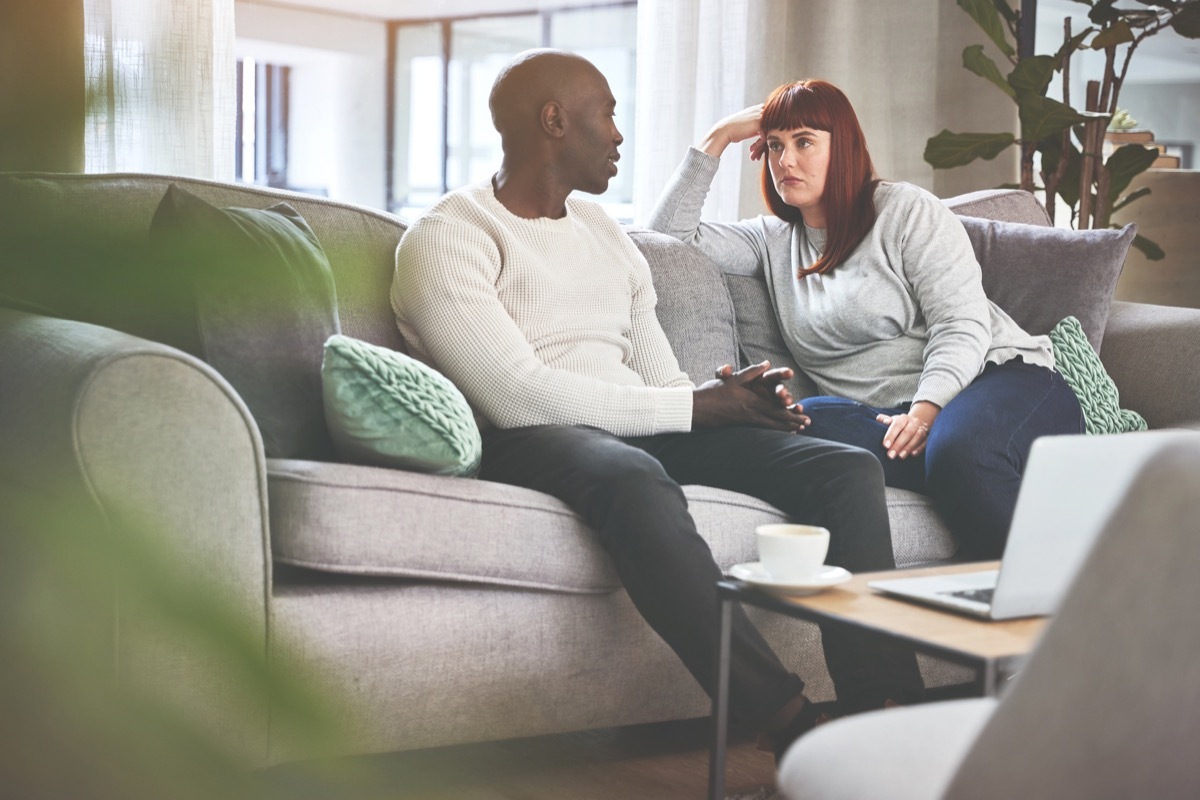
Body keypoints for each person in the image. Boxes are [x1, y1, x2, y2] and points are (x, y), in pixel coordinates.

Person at [391, 50, 923, 756]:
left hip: (632, 423)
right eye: (607, 113)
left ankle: (880, 714)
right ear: (554, 120)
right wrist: (698, 409)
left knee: (842, 469)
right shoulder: (448, 236)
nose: (618, 134)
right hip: (531, 434)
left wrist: (739, 408)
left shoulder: (608, 233)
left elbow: (663, 383)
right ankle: (783, 716)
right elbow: (517, 394)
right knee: (633, 476)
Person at [649, 79, 1085, 560]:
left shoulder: (905, 211)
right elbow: (664, 241)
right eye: (774, 145)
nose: (784, 161)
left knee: (961, 453)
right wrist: (719, 136)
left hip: (996, 379)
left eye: (804, 142)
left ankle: (1056, 608)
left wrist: (928, 409)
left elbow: (960, 324)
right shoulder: (770, 240)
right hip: (886, 418)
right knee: (800, 424)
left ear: (846, 148)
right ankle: (987, 470)